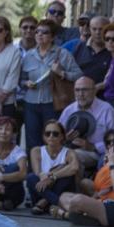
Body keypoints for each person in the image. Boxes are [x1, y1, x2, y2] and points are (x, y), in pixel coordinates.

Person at [20, 19, 82, 151]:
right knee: (32, 140)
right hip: (31, 103)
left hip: (52, 103)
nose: (39, 35)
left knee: (52, 138)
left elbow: (79, 75)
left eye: (45, 32)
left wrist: (62, 73)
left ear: (53, 36)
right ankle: (33, 170)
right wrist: (26, 83)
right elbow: (21, 80)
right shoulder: (28, 56)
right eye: (37, 31)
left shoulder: (63, 54)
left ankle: (51, 169)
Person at [56, 127, 114, 227]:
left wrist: (112, 164)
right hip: (107, 201)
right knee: (64, 196)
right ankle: (87, 216)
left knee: (78, 200)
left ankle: (70, 214)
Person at [58, 76, 114, 174]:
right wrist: (65, 139)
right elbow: (57, 134)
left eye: (84, 90)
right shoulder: (69, 110)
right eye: (77, 90)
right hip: (71, 150)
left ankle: (79, 187)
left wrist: (93, 147)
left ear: (94, 90)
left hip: (98, 154)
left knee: (74, 156)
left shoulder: (107, 110)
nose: (80, 94)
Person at [26, 120, 80, 216]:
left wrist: (53, 177)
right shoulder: (36, 151)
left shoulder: (69, 152)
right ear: (43, 136)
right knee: (31, 177)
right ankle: (55, 202)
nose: (51, 136)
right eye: (47, 133)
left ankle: (44, 202)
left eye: (55, 134)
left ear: (62, 136)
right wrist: (45, 177)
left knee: (67, 176)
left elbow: (74, 168)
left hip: (59, 189)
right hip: (42, 189)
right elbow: (37, 172)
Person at [70, 15, 111, 92]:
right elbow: (70, 71)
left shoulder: (112, 50)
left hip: (104, 97)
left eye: (101, 29)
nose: (97, 32)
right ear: (89, 30)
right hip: (80, 96)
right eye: (94, 29)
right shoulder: (79, 47)